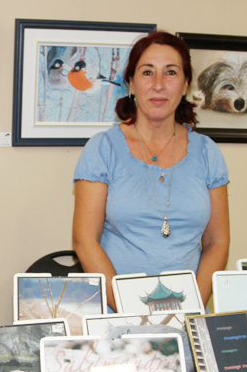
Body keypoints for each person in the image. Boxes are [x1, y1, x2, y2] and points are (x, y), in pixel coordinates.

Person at [73, 31, 230, 309]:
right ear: (131, 84)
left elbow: (217, 242)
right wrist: (132, 312)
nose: (158, 84)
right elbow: (85, 241)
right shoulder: (103, 149)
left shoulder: (207, 151)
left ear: (185, 85)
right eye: (147, 72)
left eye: (170, 72)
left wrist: (191, 306)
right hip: (117, 314)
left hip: (187, 316)